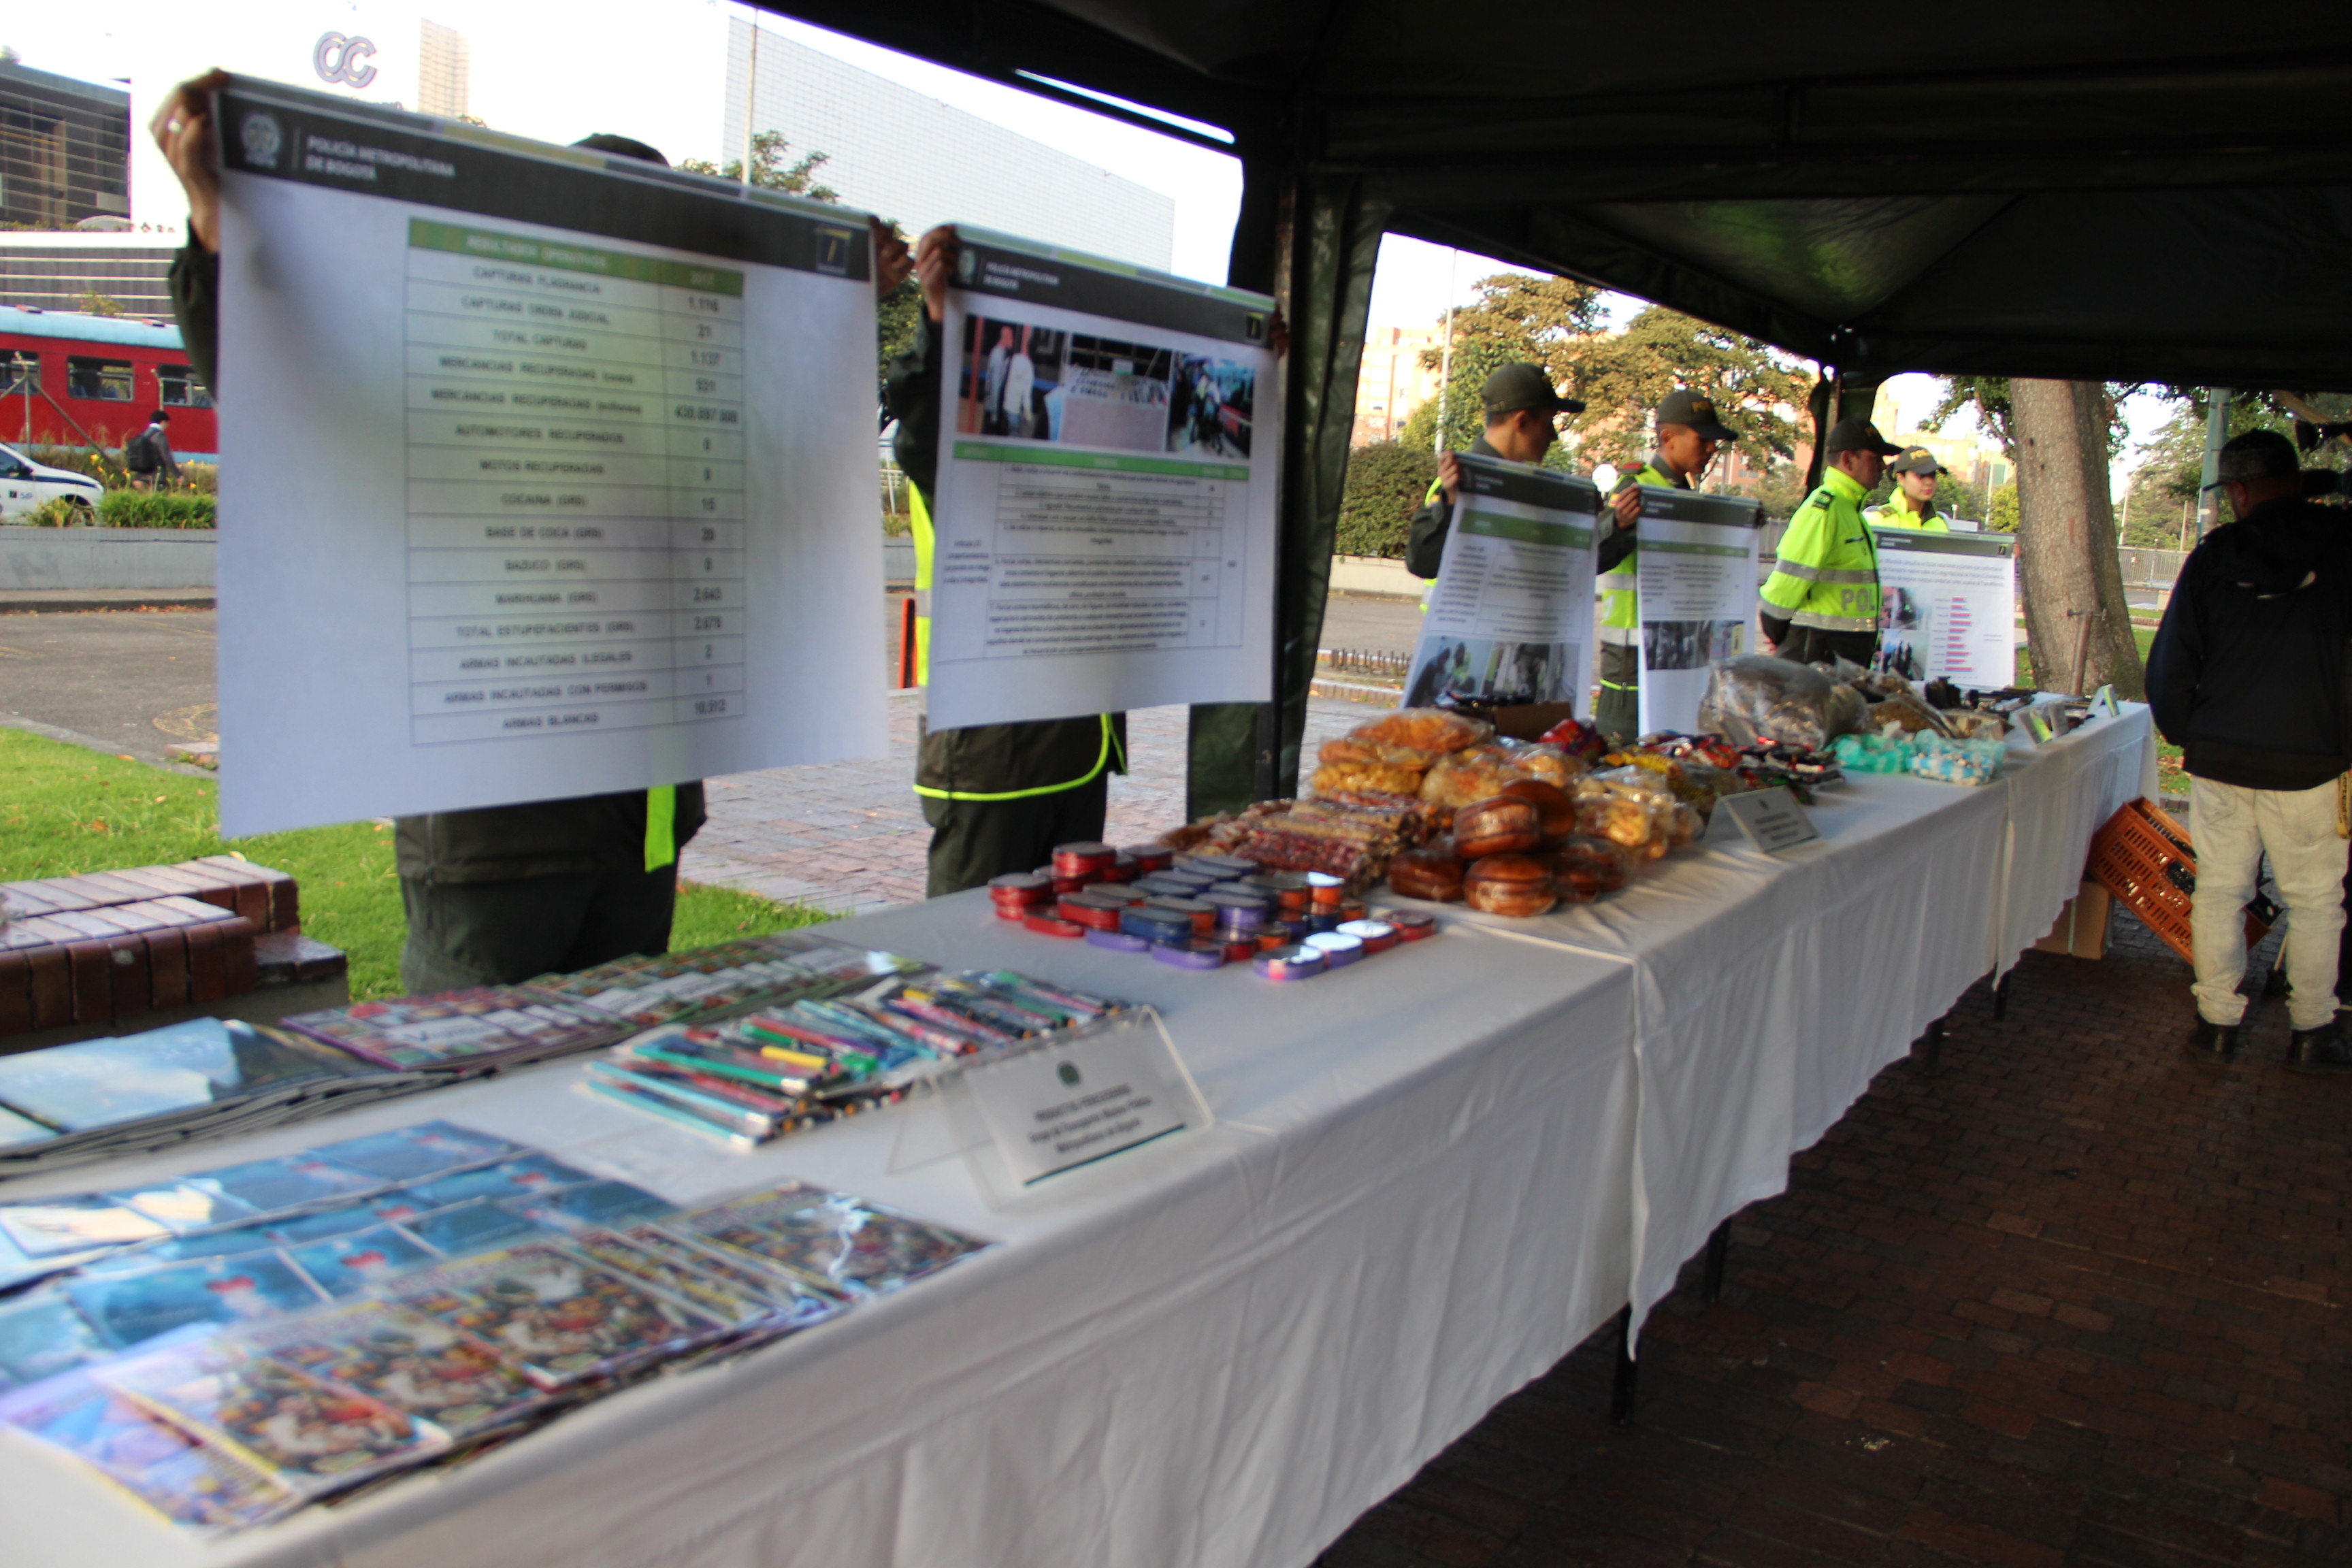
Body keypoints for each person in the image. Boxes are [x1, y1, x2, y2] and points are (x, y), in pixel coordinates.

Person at [149, 71, 915, 985]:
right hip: (495, 838)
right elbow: (292, 401)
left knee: (610, 1073)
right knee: (475, 1087)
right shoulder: (473, 377)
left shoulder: (682, 400)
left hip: (642, 827)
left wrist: (839, 301)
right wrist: (209, 215)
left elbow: (798, 465)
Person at [889, 225, 1128, 896]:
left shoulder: (1083, 462)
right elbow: (922, 414)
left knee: (1070, 941)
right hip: (992, 751)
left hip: (1081, 745)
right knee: (970, 957)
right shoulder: (955, 451)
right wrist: (940, 316)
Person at [2146, 429, 2352, 1069]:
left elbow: (2169, 667)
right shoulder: (2345, 547)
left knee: (2220, 893)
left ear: (2239, 491)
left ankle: (2216, 1024)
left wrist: (2192, 735)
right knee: (2317, 900)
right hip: (2314, 758)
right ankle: (2312, 1033)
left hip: (2223, 757)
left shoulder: (2215, 555)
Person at [1595, 389, 1740, 742]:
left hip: (1680, 650)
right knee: (1626, 752)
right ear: (1668, 438)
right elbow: (1592, 554)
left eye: (1714, 443)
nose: (1711, 450)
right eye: (1703, 440)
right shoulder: (1636, 487)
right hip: (1632, 657)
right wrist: (1619, 525)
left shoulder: (1684, 494)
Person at [1404, 363, 1585, 578]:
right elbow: (1422, 563)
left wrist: (1608, 525)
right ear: (1523, 421)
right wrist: (1451, 504)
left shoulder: (1532, 487)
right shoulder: (1456, 481)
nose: (1553, 436)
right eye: (1549, 422)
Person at [1759, 417, 1904, 666]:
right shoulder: (1823, 511)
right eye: (1875, 458)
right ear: (1848, 460)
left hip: (1841, 659)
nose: (1882, 466)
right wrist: (1786, 641)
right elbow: (1780, 593)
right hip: (1817, 659)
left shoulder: (1850, 511)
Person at [1867, 446, 1953, 531]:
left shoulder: (1939, 525)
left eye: (1932, 475)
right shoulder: (1877, 521)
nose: (1929, 482)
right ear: (1901, 479)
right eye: (1921, 475)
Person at [125, 410, 181, 490]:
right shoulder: (159, 435)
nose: (168, 426)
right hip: (157, 478)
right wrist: (178, 475)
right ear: (163, 422)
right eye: (167, 423)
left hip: (140, 477)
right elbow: (166, 456)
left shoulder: (143, 435)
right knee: (158, 501)